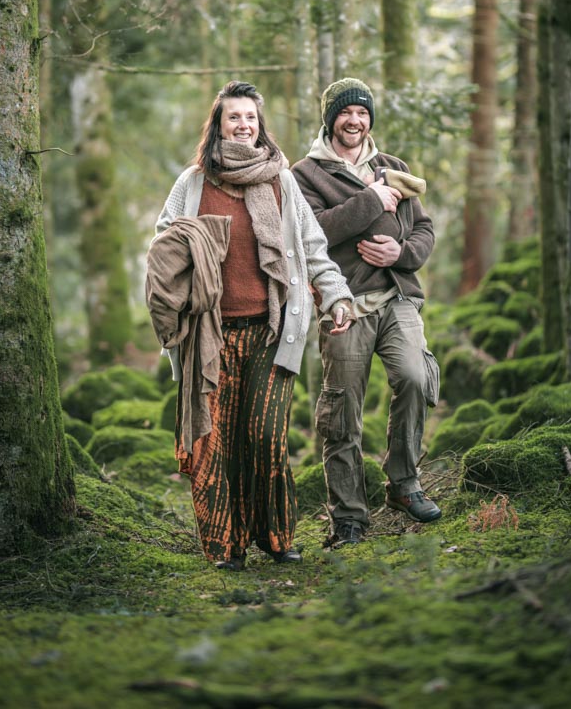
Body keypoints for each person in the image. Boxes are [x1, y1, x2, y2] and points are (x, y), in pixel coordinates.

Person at [146, 80, 353, 572]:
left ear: (260, 126)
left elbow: (311, 246)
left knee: (266, 437)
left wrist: (336, 294)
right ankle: (226, 545)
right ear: (217, 126)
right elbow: (163, 246)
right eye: (233, 117)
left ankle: (277, 537)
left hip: (271, 331)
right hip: (209, 333)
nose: (243, 125)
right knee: (214, 440)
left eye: (250, 118)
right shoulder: (193, 183)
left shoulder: (281, 181)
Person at [291, 77, 441, 547]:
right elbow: (315, 231)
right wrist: (371, 200)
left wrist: (402, 252)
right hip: (345, 305)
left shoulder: (393, 166)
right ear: (330, 119)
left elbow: (424, 229)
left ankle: (404, 483)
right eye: (345, 112)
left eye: (362, 113)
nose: (354, 120)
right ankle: (349, 515)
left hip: (396, 296)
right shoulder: (305, 175)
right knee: (342, 409)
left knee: (415, 377)